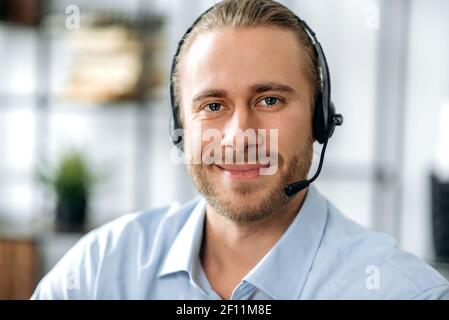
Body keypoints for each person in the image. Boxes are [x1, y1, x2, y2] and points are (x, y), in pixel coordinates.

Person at [32, 0, 449, 299]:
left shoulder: (403, 291)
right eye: (213, 106)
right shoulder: (94, 273)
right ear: (181, 130)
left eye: (269, 100)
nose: (240, 136)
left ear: (320, 119)